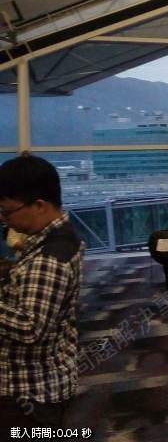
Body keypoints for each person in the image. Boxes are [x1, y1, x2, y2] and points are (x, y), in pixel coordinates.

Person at [0, 154, 83, 428]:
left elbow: (30, 327)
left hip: (29, 392)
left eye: (8, 212)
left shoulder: (49, 258)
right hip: (45, 380)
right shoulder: (59, 235)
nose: (4, 220)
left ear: (39, 206)